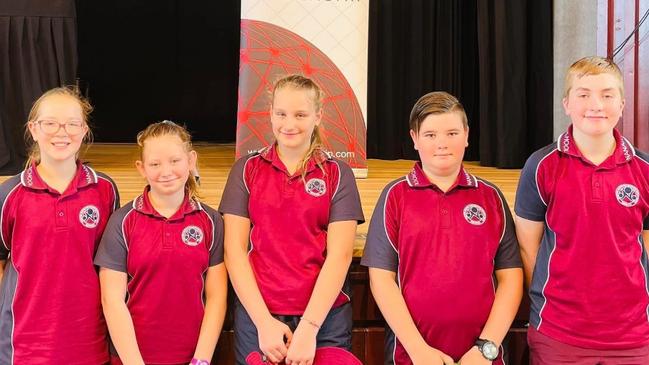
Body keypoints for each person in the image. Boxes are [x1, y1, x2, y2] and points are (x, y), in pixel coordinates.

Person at [362, 91, 523, 365]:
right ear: (414, 139)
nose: (442, 144)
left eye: (451, 133)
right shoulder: (395, 196)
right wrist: (418, 350)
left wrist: (486, 348)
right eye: (430, 135)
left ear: (467, 135)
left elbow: (511, 279)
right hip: (411, 356)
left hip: (482, 358)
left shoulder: (491, 197)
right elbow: (381, 280)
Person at [220, 74, 365, 365]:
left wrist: (310, 329)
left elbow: (341, 255)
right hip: (260, 314)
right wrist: (263, 322)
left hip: (325, 318)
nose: (289, 124)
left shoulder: (338, 174)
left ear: (318, 116)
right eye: (281, 113)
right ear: (270, 113)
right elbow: (234, 253)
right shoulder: (246, 170)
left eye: (300, 115)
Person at [515, 56, 649, 364]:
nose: (596, 104)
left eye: (607, 94)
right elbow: (528, 247)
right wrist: (559, 304)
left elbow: (644, 246)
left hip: (633, 334)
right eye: (584, 94)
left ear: (622, 104)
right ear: (566, 104)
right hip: (559, 333)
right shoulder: (540, 166)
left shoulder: (644, 169)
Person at [0, 86, 119, 364]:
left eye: (72, 124)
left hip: (89, 342)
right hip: (25, 345)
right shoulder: (10, 195)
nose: (61, 132)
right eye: (50, 123)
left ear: (84, 130)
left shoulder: (105, 190)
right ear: (33, 129)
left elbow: (109, 267)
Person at [94, 120, 227, 365]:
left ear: (191, 160)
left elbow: (217, 297)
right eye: (155, 164)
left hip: (193, 357)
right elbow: (111, 300)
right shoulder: (122, 222)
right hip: (132, 358)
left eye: (175, 161)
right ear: (141, 168)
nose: (166, 171)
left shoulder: (211, 221)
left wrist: (201, 360)